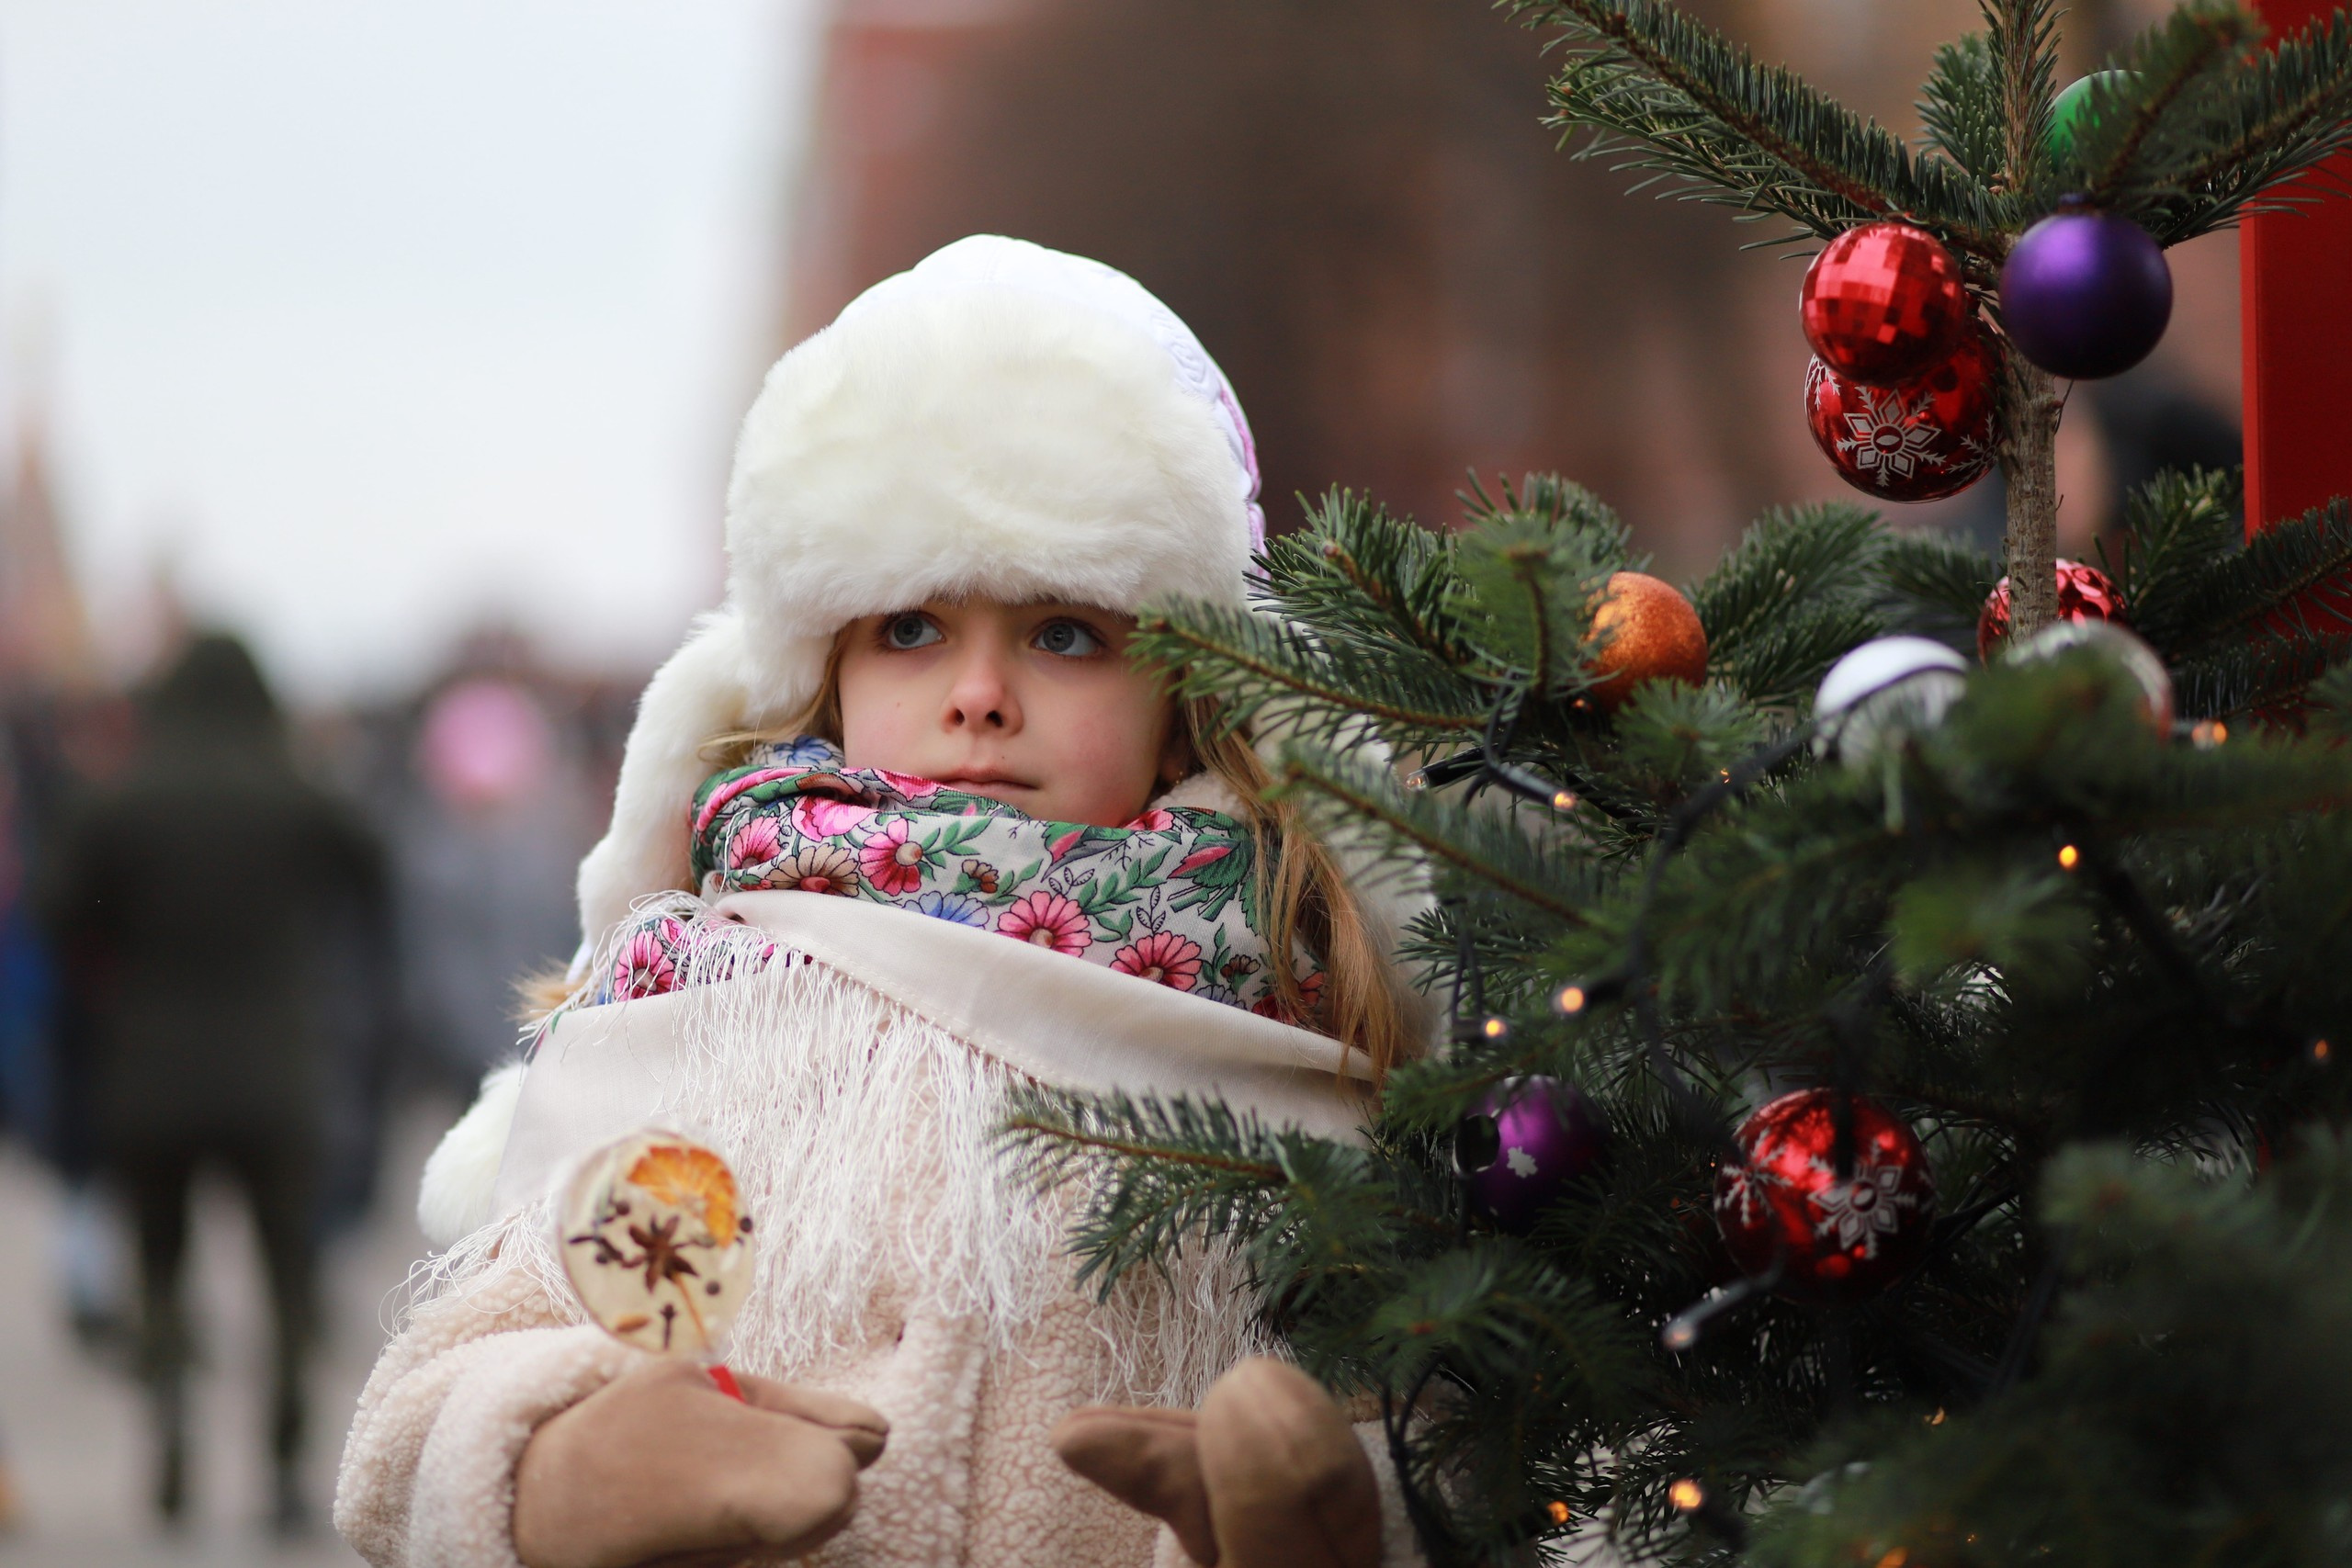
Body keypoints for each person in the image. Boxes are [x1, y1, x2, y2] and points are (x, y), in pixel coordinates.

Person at [334, 236, 1440, 1568]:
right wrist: (566, 1465)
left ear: (1184, 700)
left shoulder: (1292, 1008)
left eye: (1066, 630)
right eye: (910, 626)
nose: (979, 690)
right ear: (829, 667)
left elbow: (1470, 1429)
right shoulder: (697, 997)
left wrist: (1337, 1509)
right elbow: (422, 1421)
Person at [40, 633, 390, 1530]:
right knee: (286, 1282)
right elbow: (374, 878)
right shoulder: (294, 797)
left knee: (160, 1268)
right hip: (277, 1071)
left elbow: (55, 914)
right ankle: (282, 1470)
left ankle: (172, 1447)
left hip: (149, 1074)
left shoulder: (118, 803)